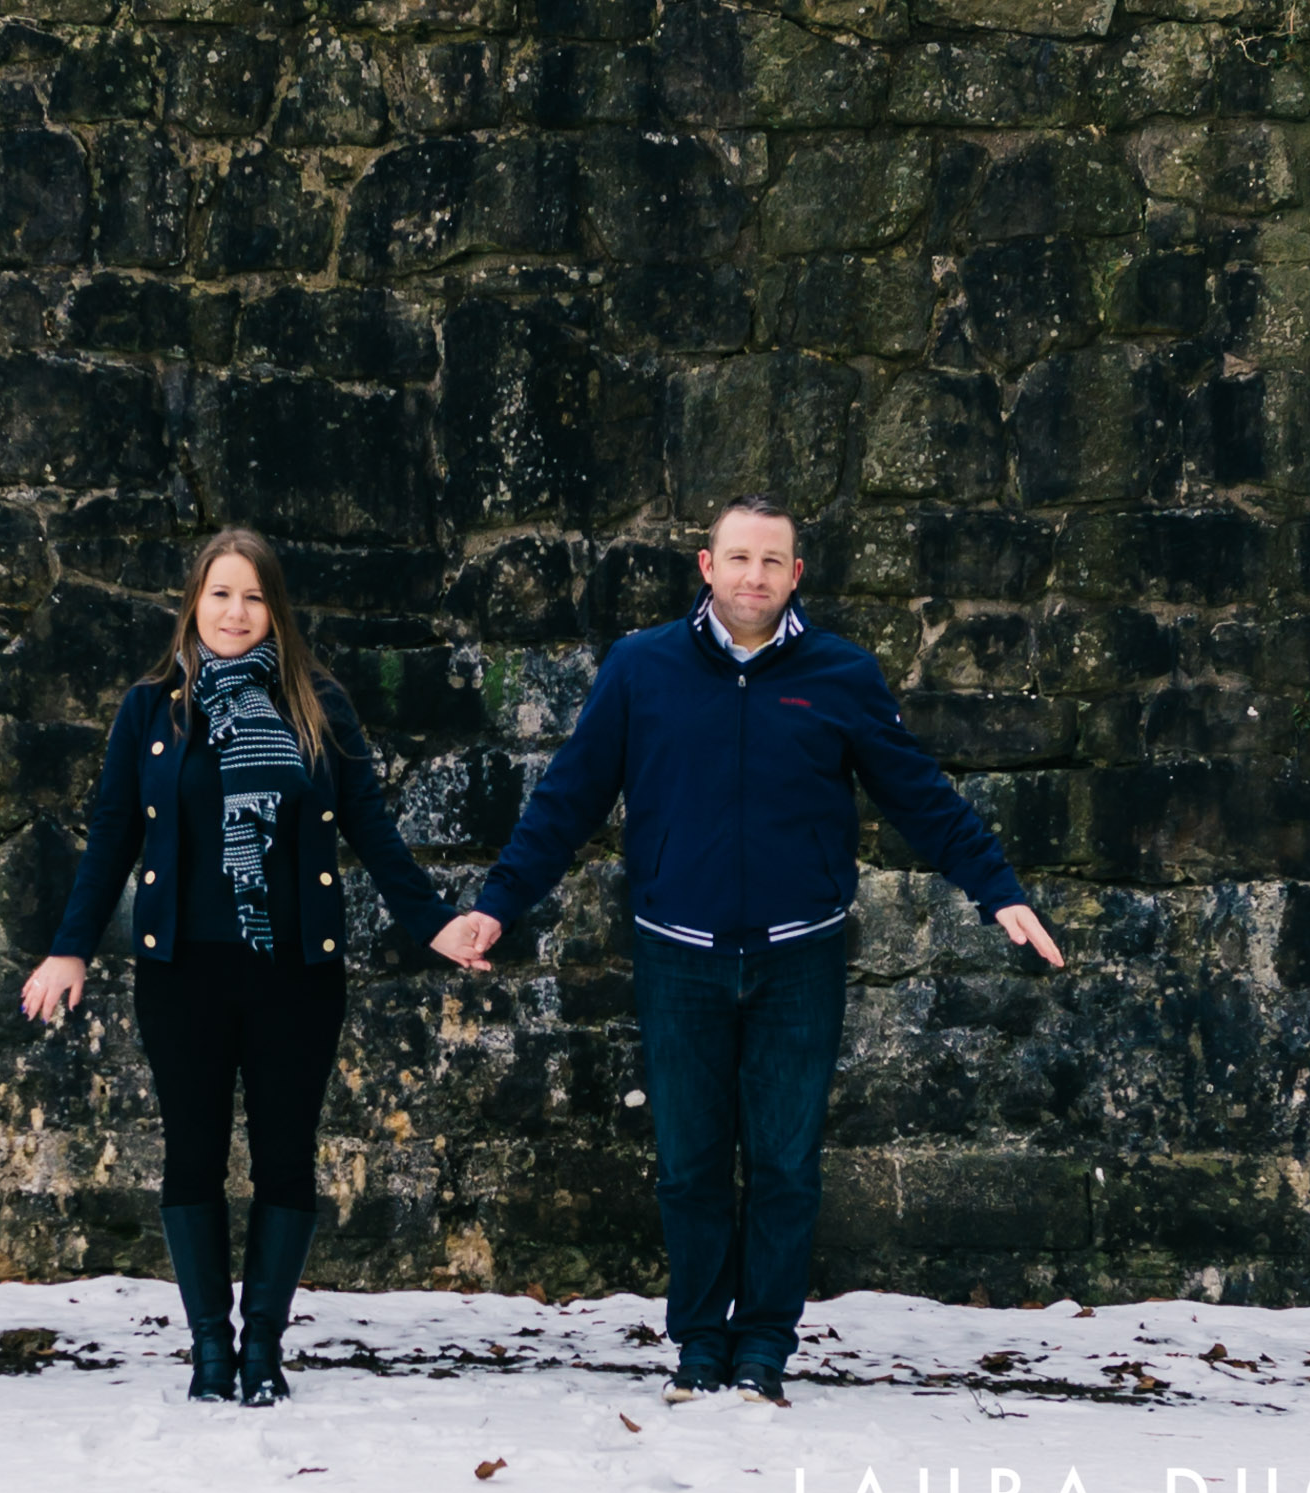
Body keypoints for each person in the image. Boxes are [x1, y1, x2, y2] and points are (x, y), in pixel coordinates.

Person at [449, 495, 1065, 1408]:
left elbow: (920, 795)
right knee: (692, 1164)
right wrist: (497, 906)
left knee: (783, 1162)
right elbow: (567, 800)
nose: (753, 577)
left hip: (797, 959)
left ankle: (765, 1347)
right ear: (706, 565)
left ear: (795, 575)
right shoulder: (641, 669)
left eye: (771, 562)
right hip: (678, 955)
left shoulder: (841, 674)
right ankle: (700, 1342)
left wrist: (999, 888)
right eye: (738, 559)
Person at [21, 528, 492, 1406]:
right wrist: (69, 946)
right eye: (220, 595)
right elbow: (112, 838)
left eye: (253, 597)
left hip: (294, 976)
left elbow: (375, 835)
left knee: (286, 1156)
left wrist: (435, 925)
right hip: (181, 974)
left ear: (275, 608)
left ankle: (264, 1351)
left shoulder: (319, 707)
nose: (236, 614)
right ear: (193, 605)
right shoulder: (151, 709)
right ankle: (209, 1351)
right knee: (191, 1154)